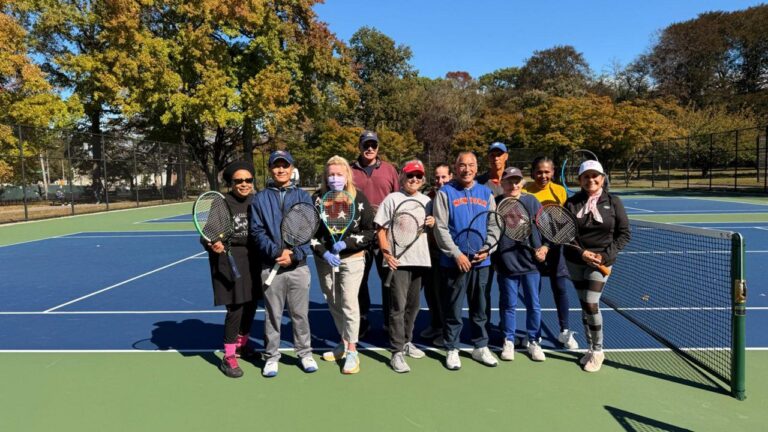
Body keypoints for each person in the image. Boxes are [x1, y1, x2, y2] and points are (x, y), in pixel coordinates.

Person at [250, 150, 317, 377]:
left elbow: (309, 231)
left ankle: (305, 353)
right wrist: (278, 252)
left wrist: (295, 254)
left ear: (291, 168)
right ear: (270, 169)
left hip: (299, 267)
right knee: (272, 315)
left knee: (300, 315)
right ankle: (272, 356)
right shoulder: (260, 198)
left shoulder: (304, 197)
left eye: (285, 166)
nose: (281, 170)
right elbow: (257, 231)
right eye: (276, 166)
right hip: (271, 266)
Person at [433, 151, 502, 370]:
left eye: (471, 165)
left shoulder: (486, 192)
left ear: (476, 167)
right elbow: (440, 227)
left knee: (480, 306)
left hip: (482, 262)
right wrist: (456, 254)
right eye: (462, 165)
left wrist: (488, 248)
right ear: (456, 167)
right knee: (453, 308)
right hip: (454, 263)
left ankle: (480, 346)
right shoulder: (445, 193)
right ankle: (452, 347)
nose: (467, 169)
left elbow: (494, 224)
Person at [564, 160, 630, 372]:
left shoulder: (614, 202)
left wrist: (603, 257)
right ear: (580, 180)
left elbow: (624, 234)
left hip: (601, 262)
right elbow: (565, 235)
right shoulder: (572, 203)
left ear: (602, 178)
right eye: (586, 176)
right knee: (584, 303)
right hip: (576, 260)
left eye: (595, 176)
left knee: (592, 302)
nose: (591, 180)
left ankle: (598, 350)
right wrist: (582, 253)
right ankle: (590, 348)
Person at [312, 155, 376, 375]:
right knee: (332, 300)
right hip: (325, 261)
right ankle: (343, 341)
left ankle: (352, 351)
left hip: (353, 259)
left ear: (347, 175)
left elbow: (369, 232)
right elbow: (310, 235)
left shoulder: (359, 199)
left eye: (339, 174)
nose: (335, 178)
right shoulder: (318, 199)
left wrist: (347, 243)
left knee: (349, 303)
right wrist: (323, 251)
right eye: (331, 175)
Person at [200, 161, 261, 378]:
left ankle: (243, 344)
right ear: (231, 183)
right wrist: (212, 243)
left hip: (254, 261)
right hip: (230, 260)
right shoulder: (222, 204)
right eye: (238, 181)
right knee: (236, 308)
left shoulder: (257, 200)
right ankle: (229, 356)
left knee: (252, 305)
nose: (244, 184)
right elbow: (207, 234)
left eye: (248, 180)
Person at [375, 160, 435, 373]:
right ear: (402, 177)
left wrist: (433, 223)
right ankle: (396, 351)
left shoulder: (428, 201)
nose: (414, 180)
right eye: (411, 176)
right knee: (397, 308)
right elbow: (380, 229)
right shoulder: (393, 199)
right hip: (398, 262)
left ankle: (407, 341)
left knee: (413, 306)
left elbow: (431, 230)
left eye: (419, 176)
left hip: (421, 261)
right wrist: (386, 253)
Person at [524, 156, 578, 349]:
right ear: (533, 172)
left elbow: (563, 223)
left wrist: (548, 246)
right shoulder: (525, 191)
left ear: (553, 172)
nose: (543, 175)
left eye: (547, 171)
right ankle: (534, 333)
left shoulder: (560, 192)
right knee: (533, 292)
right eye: (539, 171)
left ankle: (564, 331)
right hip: (533, 250)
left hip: (555, 248)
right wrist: (536, 247)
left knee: (560, 289)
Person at [493, 167, 547, 362]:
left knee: (534, 304)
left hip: (531, 265)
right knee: (509, 304)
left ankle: (534, 341)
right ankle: (508, 340)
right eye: (509, 181)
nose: (513, 185)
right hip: (506, 265)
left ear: (522, 183)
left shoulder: (531, 201)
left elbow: (546, 227)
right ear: (502, 184)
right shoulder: (496, 203)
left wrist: (545, 248)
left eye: (517, 181)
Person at [351, 130, 400, 337]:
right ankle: (361, 319)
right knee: (358, 280)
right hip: (359, 233)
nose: (369, 148)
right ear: (360, 147)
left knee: (389, 279)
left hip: (384, 235)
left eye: (373, 145)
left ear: (378, 147)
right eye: (366, 145)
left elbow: (398, 199)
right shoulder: (350, 170)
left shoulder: (389, 170)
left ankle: (391, 321)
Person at [420, 163, 452, 346]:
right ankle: (436, 324)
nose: (440, 181)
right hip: (429, 253)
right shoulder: (428, 197)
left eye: (444, 177)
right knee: (431, 292)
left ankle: (447, 332)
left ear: (450, 177)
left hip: (445, 254)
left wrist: (436, 223)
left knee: (444, 295)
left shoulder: (454, 196)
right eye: (437, 178)